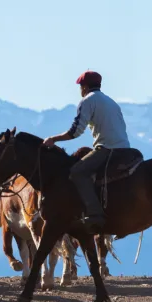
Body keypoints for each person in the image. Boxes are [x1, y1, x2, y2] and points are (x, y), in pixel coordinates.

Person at [43, 70, 131, 234]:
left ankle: (95, 214)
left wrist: (53, 140)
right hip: (125, 149)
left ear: (84, 87)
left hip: (107, 148)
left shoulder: (87, 101)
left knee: (77, 172)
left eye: (80, 86)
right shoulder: (111, 102)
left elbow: (76, 131)